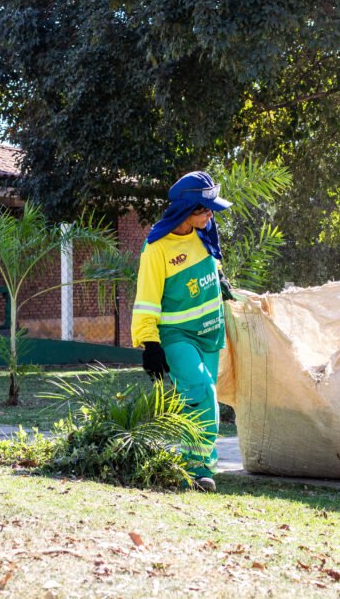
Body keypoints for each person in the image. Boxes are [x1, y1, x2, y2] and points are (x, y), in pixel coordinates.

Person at [131, 171, 235, 492]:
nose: (210, 215)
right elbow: (147, 301)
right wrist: (150, 344)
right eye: (204, 209)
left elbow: (212, 261)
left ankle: (194, 464)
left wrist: (220, 279)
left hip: (209, 334)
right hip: (176, 337)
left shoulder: (204, 231)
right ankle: (199, 468)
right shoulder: (157, 249)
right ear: (186, 209)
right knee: (203, 391)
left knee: (197, 400)